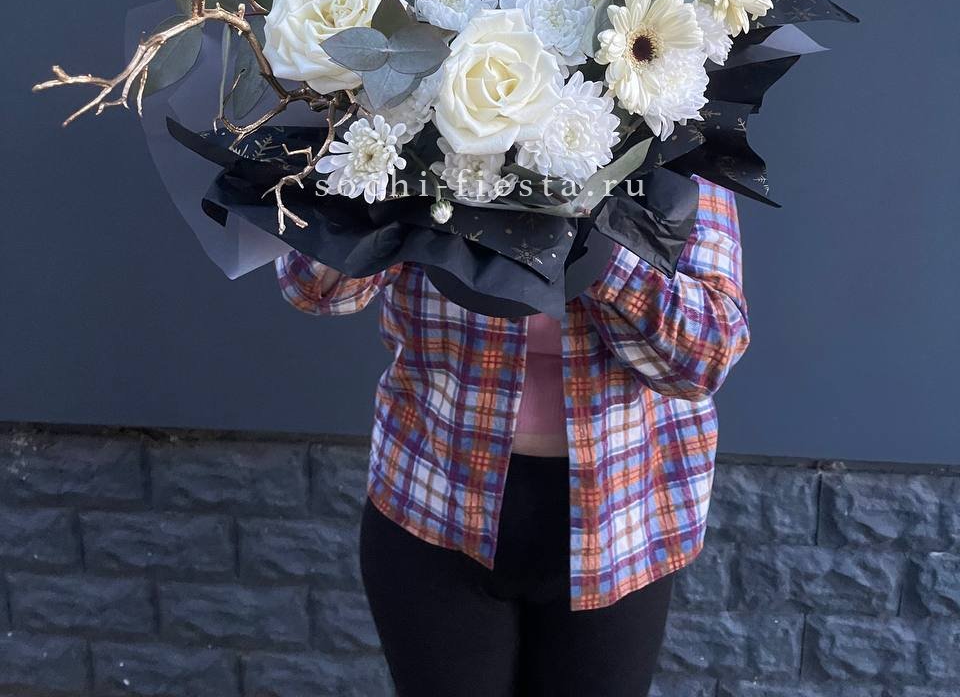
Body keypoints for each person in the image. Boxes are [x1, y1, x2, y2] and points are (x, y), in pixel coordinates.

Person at [275, 173, 749, 697]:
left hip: (621, 515)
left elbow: (703, 358)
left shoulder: (674, 145)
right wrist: (400, 169)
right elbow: (311, 288)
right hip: (433, 492)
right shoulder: (428, 132)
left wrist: (587, 236)